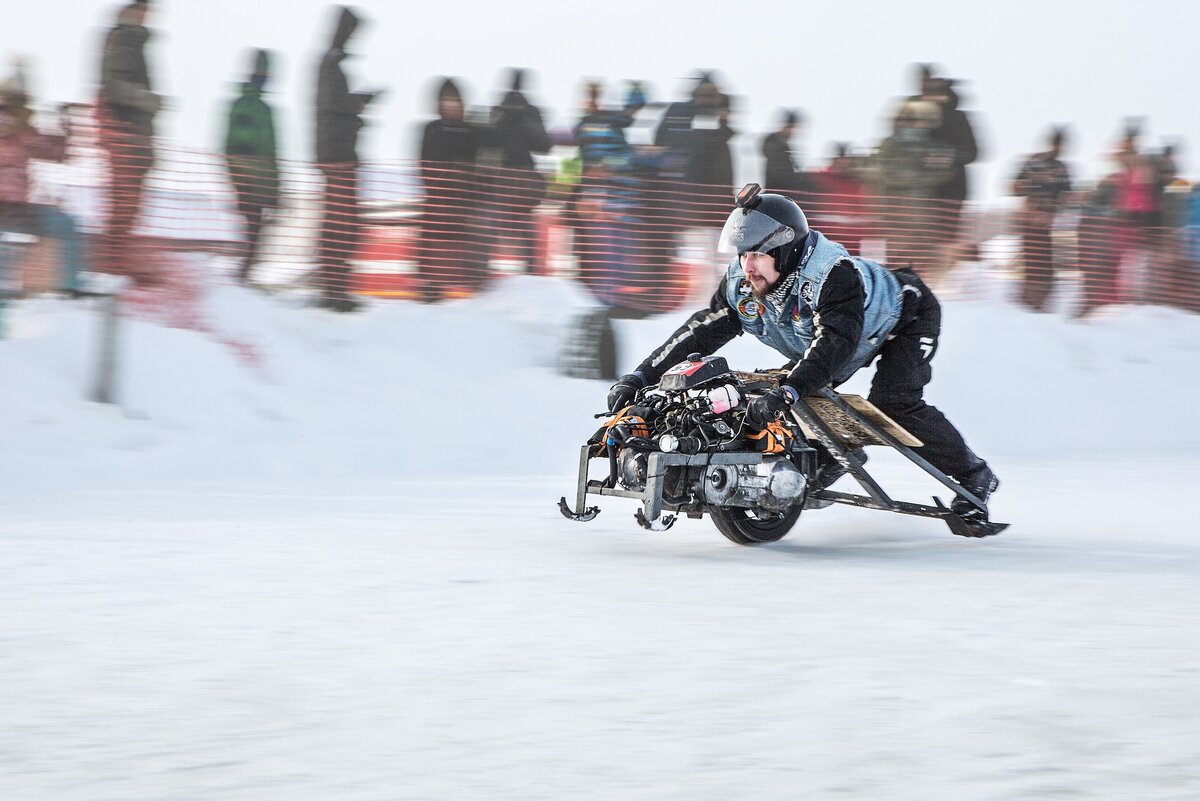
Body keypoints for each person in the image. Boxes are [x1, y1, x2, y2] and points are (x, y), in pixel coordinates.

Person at [605, 184, 1000, 524]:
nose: (747, 266)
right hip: (832, 336)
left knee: (891, 401)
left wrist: (790, 390)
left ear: (786, 249)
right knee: (772, 391)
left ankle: (974, 475)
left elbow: (835, 346)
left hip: (905, 316)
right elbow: (699, 333)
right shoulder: (745, 281)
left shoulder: (832, 275)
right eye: (742, 255)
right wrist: (639, 378)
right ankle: (830, 456)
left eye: (757, 255)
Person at [313, 5, 383, 312]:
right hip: (337, 153)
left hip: (338, 151)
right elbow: (339, 104)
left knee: (344, 223)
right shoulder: (330, 65)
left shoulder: (330, 64)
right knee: (341, 224)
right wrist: (363, 100)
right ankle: (334, 291)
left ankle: (337, 288)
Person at [97, 0, 161, 283]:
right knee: (123, 204)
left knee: (130, 205)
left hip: (133, 136)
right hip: (124, 133)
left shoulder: (133, 41)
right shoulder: (124, 39)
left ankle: (119, 261)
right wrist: (146, 100)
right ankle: (114, 264)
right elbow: (116, 87)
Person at [418, 77, 482, 301]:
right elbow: (423, 164)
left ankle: (463, 283)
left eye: (455, 101)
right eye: (447, 101)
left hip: (463, 201)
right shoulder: (432, 129)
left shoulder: (470, 131)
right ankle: (430, 283)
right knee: (432, 240)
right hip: (438, 198)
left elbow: (477, 163)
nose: (451, 105)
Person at [223, 49, 280, 285]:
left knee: (256, 235)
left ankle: (244, 278)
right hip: (247, 182)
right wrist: (241, 177)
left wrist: (274, 191)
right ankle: (239, 280)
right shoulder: (245, 106)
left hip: (261, 184)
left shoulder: (264, 108)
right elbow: (235, 147)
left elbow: (272, 154)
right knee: (250, 232)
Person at [1011, 127, 1072, 312]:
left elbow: (1066, 196)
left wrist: (1051, 212)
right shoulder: (1033, 162)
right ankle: (1025, 303)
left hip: (1048, 224)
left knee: (1045, 265)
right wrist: (1031, 202)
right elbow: (1014, 187)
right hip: (1029, 221)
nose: (1059, 147)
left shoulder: (1061, 168)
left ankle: (1041, 303)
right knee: (1030, 262)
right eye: (1057, 143)